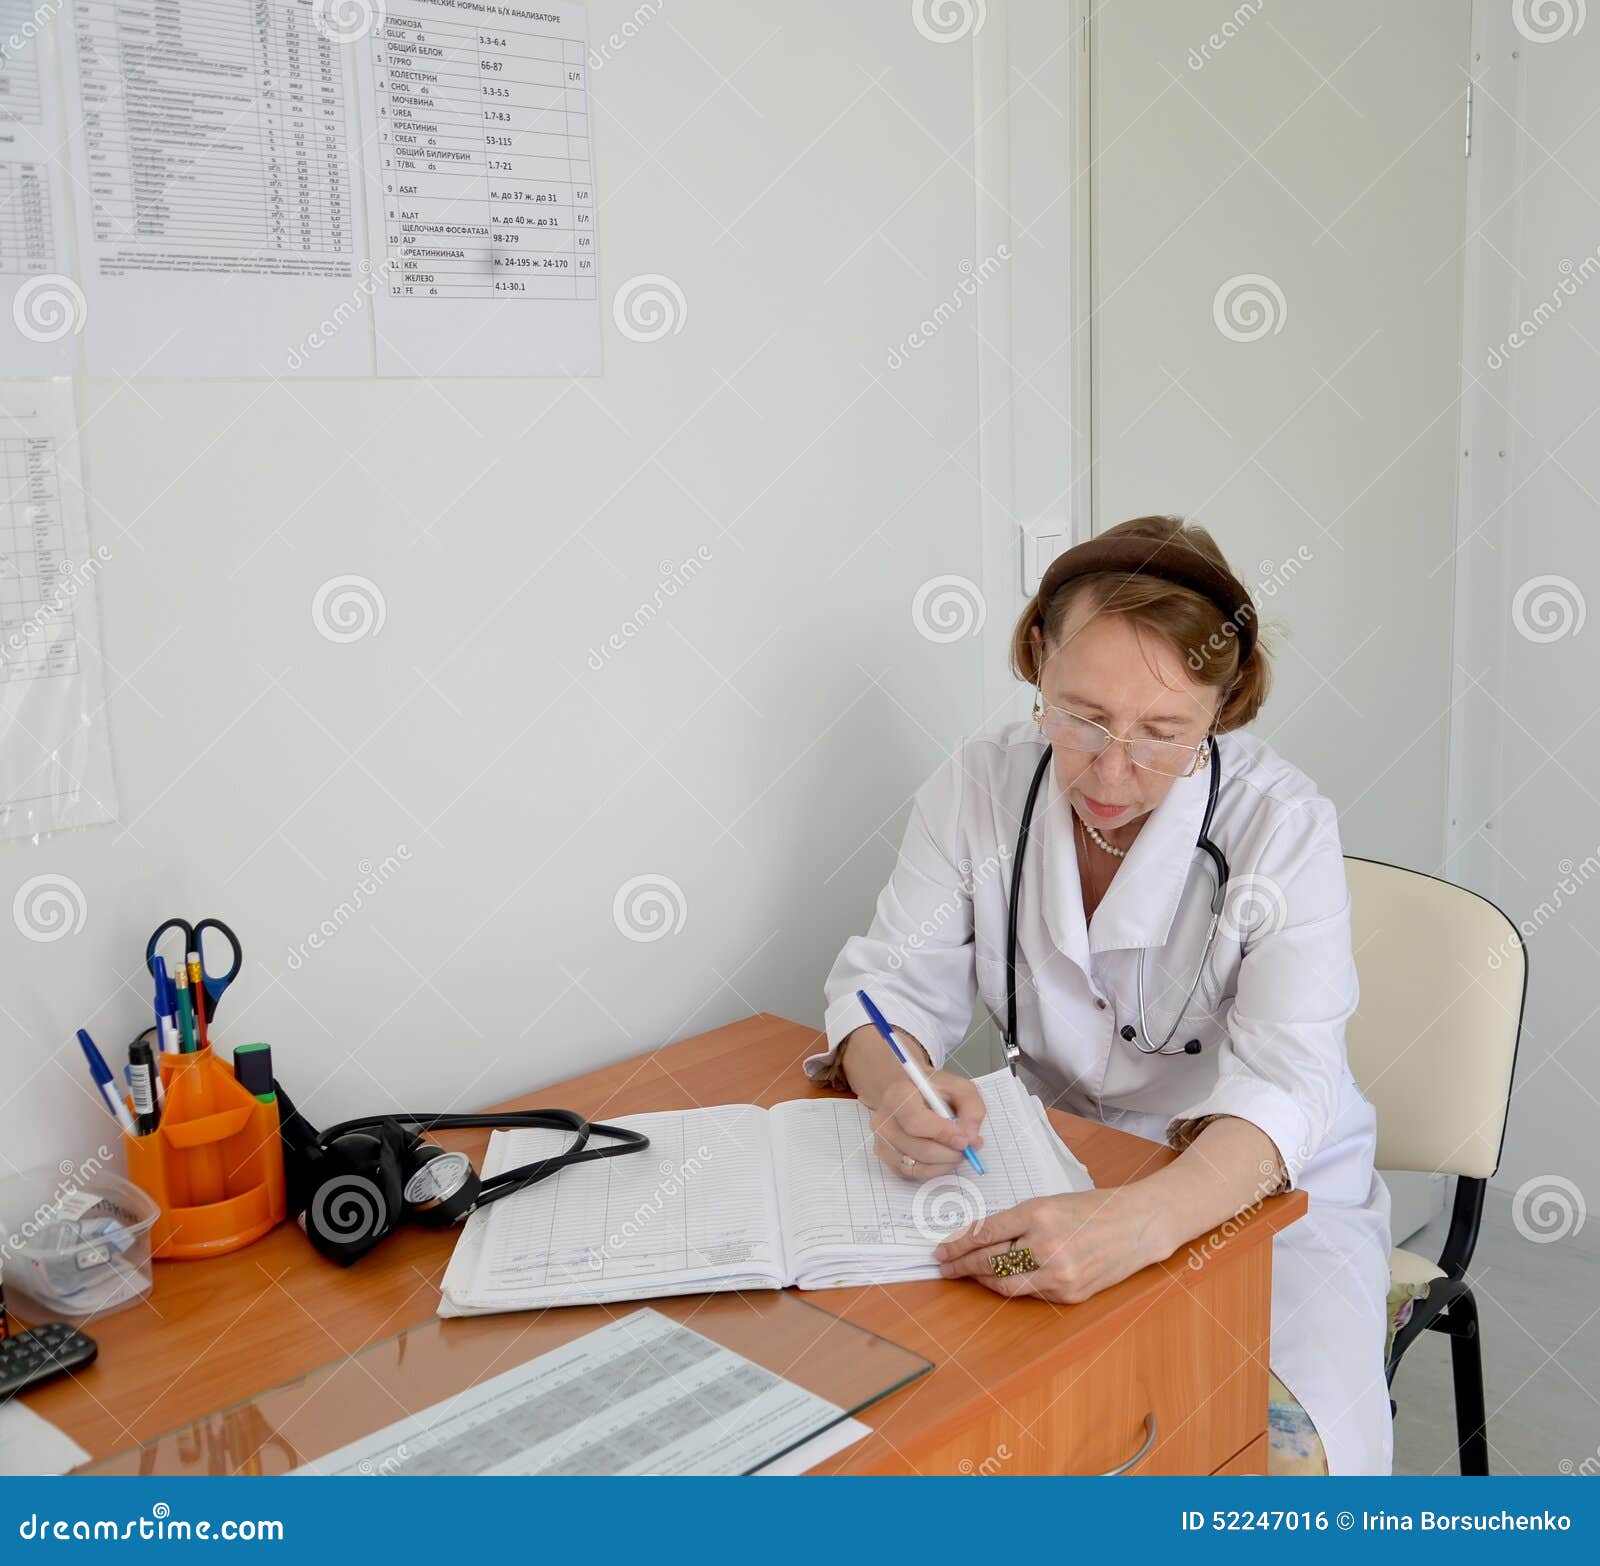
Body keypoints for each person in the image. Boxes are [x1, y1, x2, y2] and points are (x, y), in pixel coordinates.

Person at [806, 514, 1393, 1476]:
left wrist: (1145, 1222)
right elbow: (886, 987)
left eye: (1164, 734)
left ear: (1222, 709)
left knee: (1239, 1463)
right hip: (1054, 1161)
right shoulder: (980, 786)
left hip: (1260, 1195)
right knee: (979, 1433)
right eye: (1081, 718)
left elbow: (1290, 1082)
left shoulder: (1282, 826)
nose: (1114, 772)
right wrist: (895, 1085)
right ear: (1037, 656)